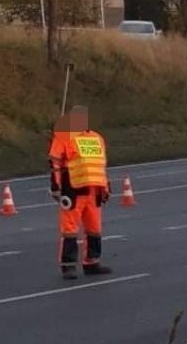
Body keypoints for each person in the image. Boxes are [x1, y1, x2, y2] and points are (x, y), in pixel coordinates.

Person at [48, 105, 113, 280]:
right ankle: (68, 266)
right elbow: (55, 162)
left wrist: (106, 186)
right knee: (69, 229)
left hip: (94, 190)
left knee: (94, 229)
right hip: (73, 189)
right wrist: (55, 186)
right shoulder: (63, 137)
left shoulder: (97, 138)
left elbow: (100, 164)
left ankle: (92, 262)